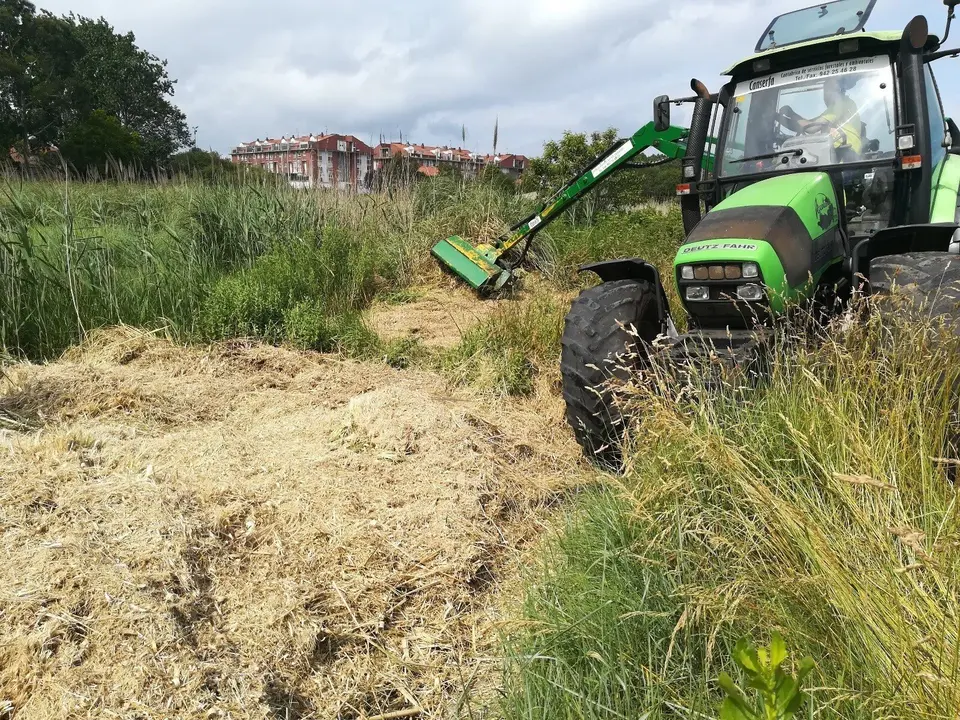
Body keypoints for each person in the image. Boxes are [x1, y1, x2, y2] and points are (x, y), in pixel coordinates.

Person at [778, 76, 863, 157]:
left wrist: (788, 114)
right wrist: (785, 116)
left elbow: (811, 128)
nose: (825, 96)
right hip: (842, 153)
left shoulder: (841, 103)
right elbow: (807, 124)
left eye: (827, 90)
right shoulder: (841, 107)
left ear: (837, 90)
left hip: (844, 155)